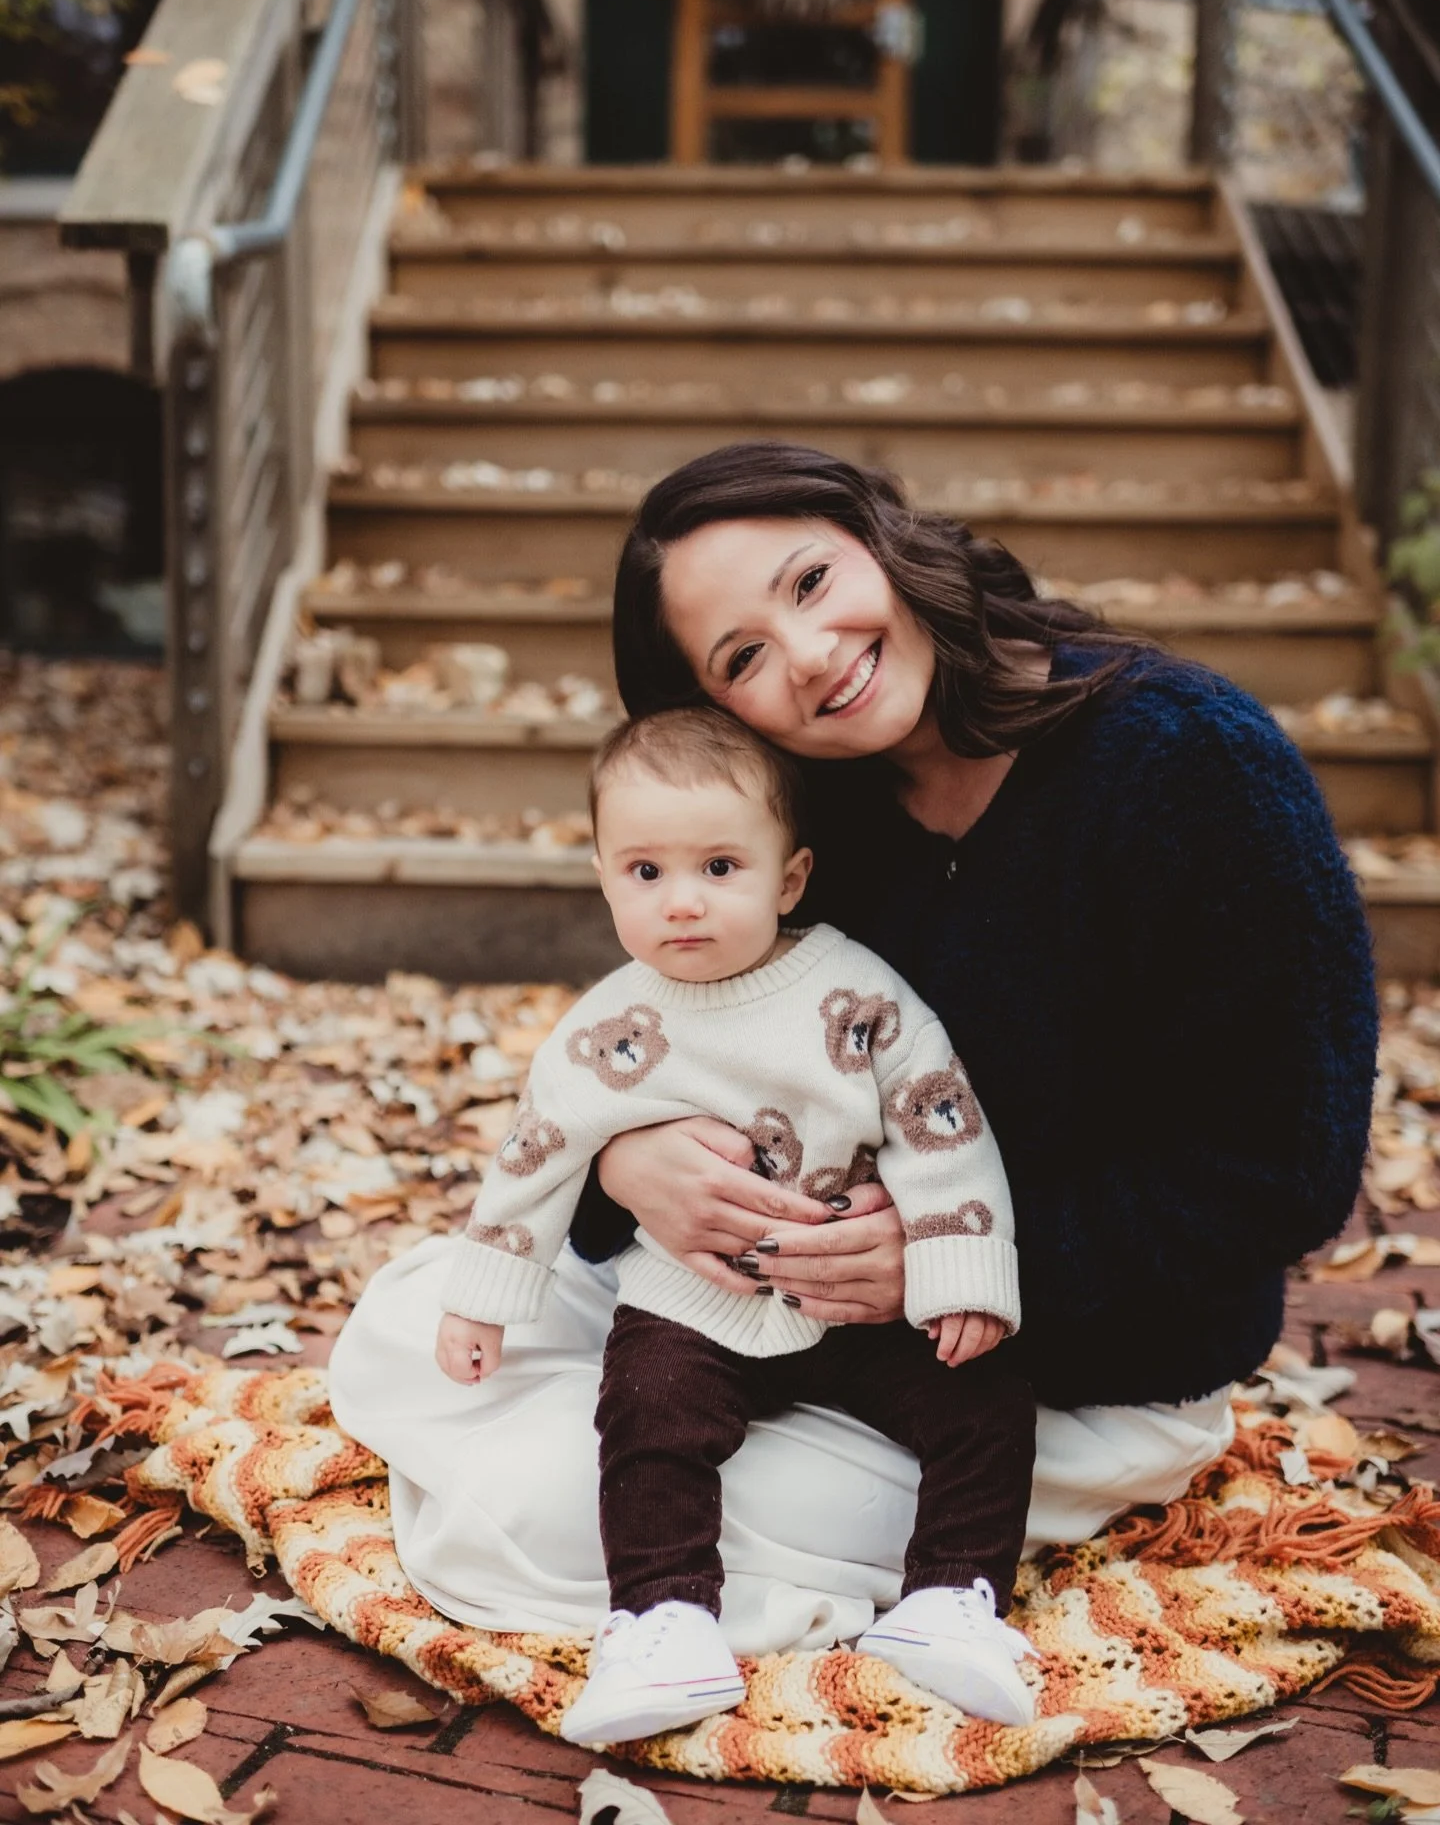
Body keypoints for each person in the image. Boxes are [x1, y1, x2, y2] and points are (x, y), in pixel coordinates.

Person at [329, 440, 1374, 1681]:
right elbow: (687, 1019)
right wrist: (627, 1165)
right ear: (721, 718)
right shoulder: (822, 807)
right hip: (781, 1302)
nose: (811, 655)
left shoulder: (1191, 765)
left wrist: (954, 1253)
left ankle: (842, 1604)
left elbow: (1284, 1170)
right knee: (409, 1319)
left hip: (1063, 1365)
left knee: (534, 1518)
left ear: (884, 537)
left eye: (811, 582)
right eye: (743, 659)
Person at [435, 707, 1038, 1744]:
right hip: (693, 1300)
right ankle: (664, 1618)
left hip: (857, 1301)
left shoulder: (857, 997)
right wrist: (484, 1300)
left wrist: (962, 1272)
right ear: (604, 876)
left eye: (720, 867)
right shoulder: (604, 1030)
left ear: (789, 879)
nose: (683, 903)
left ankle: (951, 1600)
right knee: (647, 1413)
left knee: (985, 1397)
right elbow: (534, 1163)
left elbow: (940, 1124)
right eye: (646, 873)